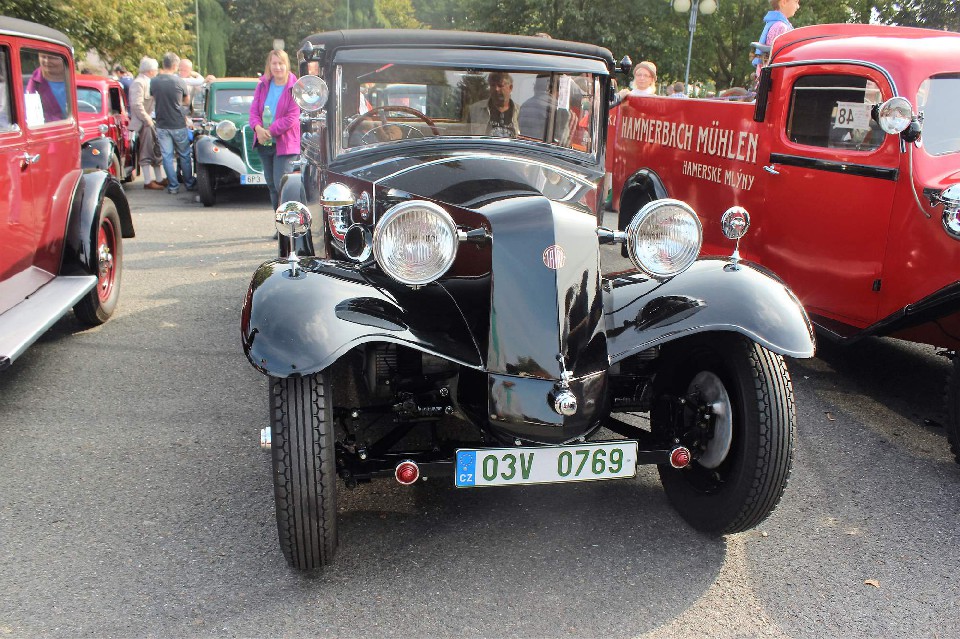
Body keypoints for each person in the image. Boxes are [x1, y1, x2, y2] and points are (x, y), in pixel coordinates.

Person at [249, 49, 300, 212]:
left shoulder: (295, 87)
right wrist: (258, 129)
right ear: (269, 65)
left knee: (282, 186)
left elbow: (292, 117)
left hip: (285, 144)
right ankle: (278, 221)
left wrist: (268, 131)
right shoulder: (262, 85)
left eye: (281, 63)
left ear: (287, 65)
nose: (277, 67)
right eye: (274, 63)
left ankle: (289, 221)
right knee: (271, 185)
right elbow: (253, 112)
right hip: (264, 143)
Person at [152, 52, 195, 194]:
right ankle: (189, 183)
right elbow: (186, 101)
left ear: (163, 64)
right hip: (178, 123)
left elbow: (153, 98)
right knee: (184, 155)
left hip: (162, 123)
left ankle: (173, 186)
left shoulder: (154, 81)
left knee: (167, 156)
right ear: (175, 65)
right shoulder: (179, 82)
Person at [128, 57, 166, 190]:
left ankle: (159, 178)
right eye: (155, 70)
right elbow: (136, 104)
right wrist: (147, 119)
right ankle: (148, 181)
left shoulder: (146, 82)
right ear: (150, 71)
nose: (156, 72)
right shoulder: (139, 83)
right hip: (144, 122)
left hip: (150, 121)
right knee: (146, 150)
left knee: (155, 149)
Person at [518, 74, 572, 145]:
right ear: (552, 88)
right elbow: (562, 142)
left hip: (524, 148)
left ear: (535, 87)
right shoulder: (558, 110)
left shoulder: (524, 106)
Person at [467, 71, 519, 137]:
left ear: (510, 88)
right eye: (493, 85)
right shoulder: (475, 110)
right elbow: (465, 136)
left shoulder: (521, 112)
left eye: (500, 85)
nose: (496, 89)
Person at [754, 0, 799, 70]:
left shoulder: (773, 22)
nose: (798, 6)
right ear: (783, 2)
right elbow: (777, 57)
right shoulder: (781, 27)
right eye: (796, 2)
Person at [25, 51, 68, 121]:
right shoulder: (35, 83)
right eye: (43, 57)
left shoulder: (77, 80)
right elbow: (32, 115)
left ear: (66, 59)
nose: (47, 61)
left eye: (52, 58)